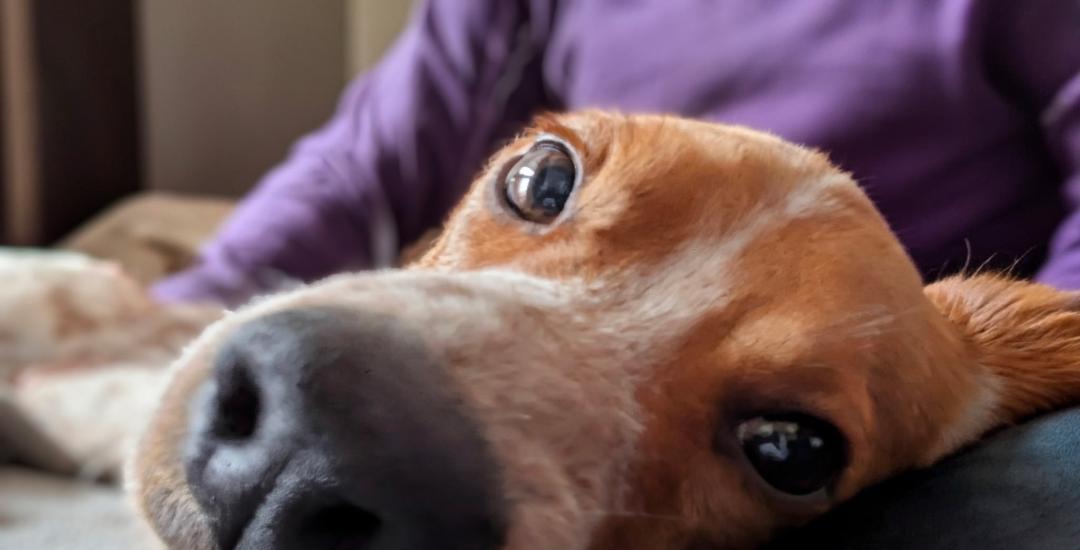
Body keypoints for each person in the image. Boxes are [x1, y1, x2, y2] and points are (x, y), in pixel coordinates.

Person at [152, 0, 1080, 307]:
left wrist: (954, 409)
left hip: (872, 439)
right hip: (548, 362)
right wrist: (185, 316)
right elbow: (369, 166)